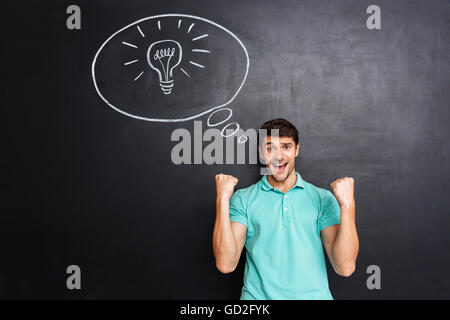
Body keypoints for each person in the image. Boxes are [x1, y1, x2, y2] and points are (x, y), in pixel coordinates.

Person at [212, 118, 359, 300]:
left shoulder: (322, 199)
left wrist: (347, 206)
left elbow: (345, 267)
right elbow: (226, 264)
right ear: (261, 153)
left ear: (297, 149)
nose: (278, 156)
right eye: (270, 148)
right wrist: (222, 199)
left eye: (286, 147)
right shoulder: (243, 199)